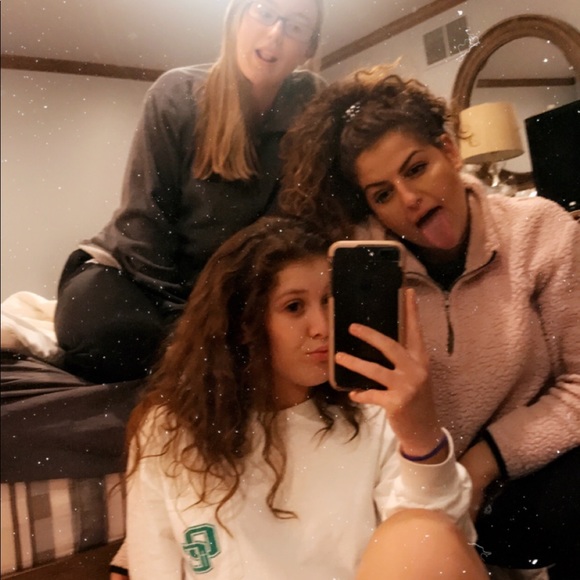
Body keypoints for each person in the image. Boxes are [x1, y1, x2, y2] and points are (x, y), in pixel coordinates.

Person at [277, 64, 580, 577]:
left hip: (524, 483)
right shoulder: (360, 271)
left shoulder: (539, 232)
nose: (408, 198)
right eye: (382, 193)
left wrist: (483, 462)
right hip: (411, 488)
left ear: (450, 150)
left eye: (416, 169)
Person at [118, 215, 486, 579]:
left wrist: (421, 438)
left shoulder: (373, 412)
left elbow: (439, 548)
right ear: (244, 323)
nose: (322, 327)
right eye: (294, 307)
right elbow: (154, 564)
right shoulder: (169, 430)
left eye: (329, 301)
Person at [54, 0, 325, 384]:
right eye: (265, 13)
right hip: (129, 275)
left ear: (308, 48)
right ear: (237, 17)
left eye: (295, 26)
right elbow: (144, 224)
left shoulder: (312, 112)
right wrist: (188, 326)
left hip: (217, 296)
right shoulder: (176, 94)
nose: (275, 34)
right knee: (123, 340)